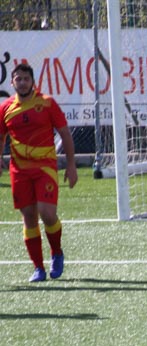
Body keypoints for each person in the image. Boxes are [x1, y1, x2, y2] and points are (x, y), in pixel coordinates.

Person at [0, 63, 77, 282]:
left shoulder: (47, 103)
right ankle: (38, 268)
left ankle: (57, 252)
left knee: (47, 213)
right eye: (18, 79)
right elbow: (1, 136)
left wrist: (71, 165)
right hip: (19, 171)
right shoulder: (5, 108)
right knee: (29, 217)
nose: (23, 82)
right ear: (12, 82)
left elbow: (65, 133)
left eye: (26, 79)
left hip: (45, 168)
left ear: (33, 81)